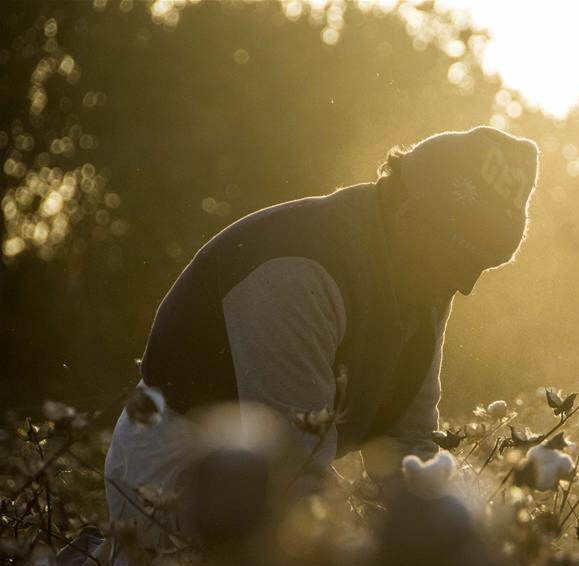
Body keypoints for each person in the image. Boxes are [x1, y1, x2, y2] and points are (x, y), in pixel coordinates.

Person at [102, 125, 539, 541]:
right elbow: (292, 471)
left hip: (281, 474)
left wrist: (446, 540)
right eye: (461, 261)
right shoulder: (297, 270)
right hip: (176, 470)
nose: (466, 285)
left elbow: (409, 442)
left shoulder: (422, 278)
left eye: (483, 266)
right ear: (410, 219)